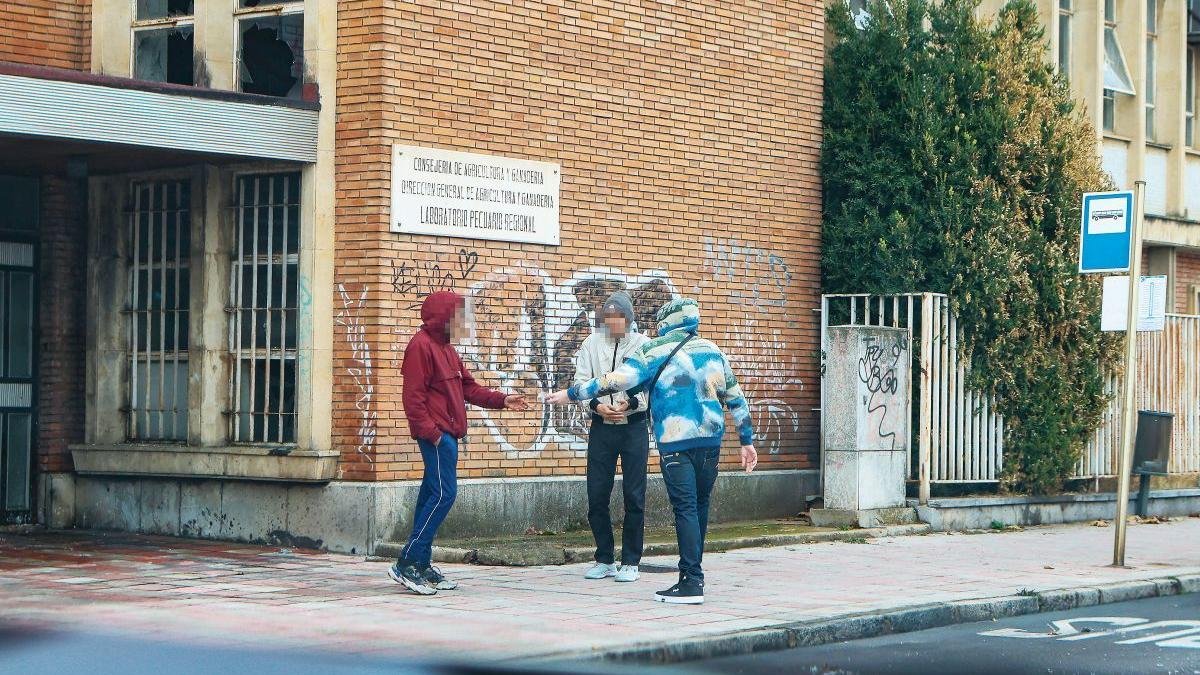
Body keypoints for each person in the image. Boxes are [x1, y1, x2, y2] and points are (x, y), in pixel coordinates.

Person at [544, 298, 757, 605]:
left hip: (676, 444)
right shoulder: (712, 350)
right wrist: (747, 441)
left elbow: (615, 380)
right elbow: (736, 398)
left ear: (665, 323)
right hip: (711, 443)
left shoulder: (652, 350)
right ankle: (693, 576)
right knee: (699, 508)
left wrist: (572, 393)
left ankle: (691, 582)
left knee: (684, 508)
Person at [391, 290, 529, 596]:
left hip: (448, 436)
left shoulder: (448, 350)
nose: (465, 322)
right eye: (460, 316)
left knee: (431, 494)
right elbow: (412, 400)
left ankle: (422, 565)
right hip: (437, 437)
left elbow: (470, 389)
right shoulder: (420, 347)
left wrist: (503, 400)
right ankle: (407, 562)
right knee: (444, 495)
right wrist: (433, 434)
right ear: (444, 317)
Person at [573, 292, 651, 583]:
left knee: (634, 494)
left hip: (634, 426)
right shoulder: (591, 344)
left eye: (619, 318)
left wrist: (629, 404)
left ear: (629, 319)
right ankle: (604, 558)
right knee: (597, 494)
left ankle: (631, 561)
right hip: (601, 427)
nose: (613, 324)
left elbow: (648, 386)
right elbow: (581, 382)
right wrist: (597, 406)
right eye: (608, 319)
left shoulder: (644, 345)